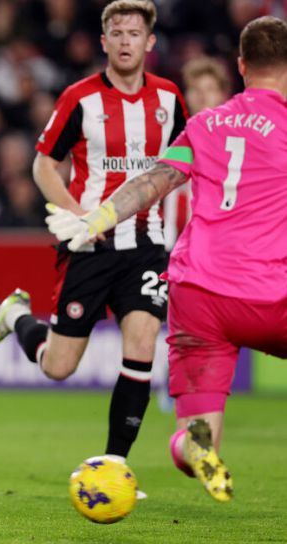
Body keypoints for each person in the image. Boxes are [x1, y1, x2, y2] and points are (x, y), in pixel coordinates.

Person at [45, 15, 287, 503]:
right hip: (271, 293)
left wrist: (97, 218)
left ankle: (191, 444)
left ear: (241, 66)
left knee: (197, 436)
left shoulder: (204, 124)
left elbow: (152, 181)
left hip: (200, 297)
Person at [0, 0, 187, 494]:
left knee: (142, 345)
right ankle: (16, 316)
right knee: (58, 366)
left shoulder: (170, 98)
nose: (125, 41)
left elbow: (183, 162)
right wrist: (77, 214)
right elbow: (43, 165)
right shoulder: (80, 98)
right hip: (90, 247)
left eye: (134, 33)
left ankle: (114, 466)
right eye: (117, 32)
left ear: (150, 42)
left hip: (147, 244)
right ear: (103, 41)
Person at [163, 56, 233, 250]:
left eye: (210, 89)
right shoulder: (172, 141)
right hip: (174, 247)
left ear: (223, 95)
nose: (202, 96)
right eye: (195, 89)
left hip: (220, 246)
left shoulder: (234, 144)